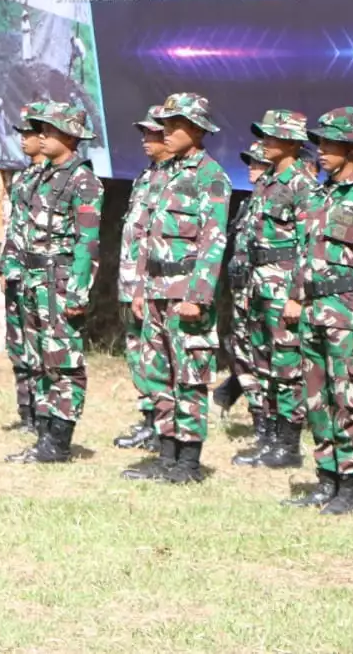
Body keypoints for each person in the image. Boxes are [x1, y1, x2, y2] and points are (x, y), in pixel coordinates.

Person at [281, 109, 353, 516]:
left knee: (350, 401)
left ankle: (352, 487)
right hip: (312, 314)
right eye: (321, 143)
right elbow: (303, 255)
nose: (322, 151)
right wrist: (295, 296)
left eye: (331, 144)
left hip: (347, 317)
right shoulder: (317, 196)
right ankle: (326, 479)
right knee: (316, 401)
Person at [123, 93, 229, 485]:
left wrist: (197, 296)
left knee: (190, 377)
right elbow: (145, 236)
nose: (166, 132)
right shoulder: (163, 174)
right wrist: (138, 288)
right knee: (159, 375)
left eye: (175, 125)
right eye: (164, 124)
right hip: (153, 288)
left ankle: (188, 462)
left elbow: (212, 241)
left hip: (184, 293)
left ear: (197, 130)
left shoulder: (210, 176)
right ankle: (166, 455)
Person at [6, 101, 101, 464]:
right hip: (32, 279)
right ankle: (44, 436)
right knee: (40, 361)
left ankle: (59, 440)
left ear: (71, 136)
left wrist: (78, 291)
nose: (41, 137)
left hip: (59, 281)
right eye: (40, 130)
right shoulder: (42, 176)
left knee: (64, 361)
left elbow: (86, 243)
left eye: (50, 131)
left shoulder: (83, 181)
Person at [232, 109, 316, 469]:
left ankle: (288, 446)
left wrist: (297, 295)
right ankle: (269, 439)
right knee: (263, 362)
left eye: (272, 136)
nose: (264, 141)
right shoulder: (267, 183)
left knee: (287, 366)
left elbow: (309, 246)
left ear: (293, 142)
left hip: (284, 290)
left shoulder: (302, 185)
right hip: (258, 285)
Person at [114, 105, 170, 451]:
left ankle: (163, 424)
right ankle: (149, 418)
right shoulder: (147, 176)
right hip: (130, 281)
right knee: (137, 352)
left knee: (158, 354)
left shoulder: (175, 180)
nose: (146, 140)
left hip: (154, 283)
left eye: (154, 133)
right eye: (144, 133)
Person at [0, 101, 49, 433]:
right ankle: (26, 412)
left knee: (42, 347)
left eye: (29, 134)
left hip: (42, 277)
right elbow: (14, 227)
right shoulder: (23, 178)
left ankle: (45, 414)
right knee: (19, 346)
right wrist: (6, 266)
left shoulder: (55, 178)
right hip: (16, 271)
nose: (23, 139)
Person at [219, 140, 270, 440]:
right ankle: (259, 419)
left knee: (270, 358)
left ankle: (276, 424)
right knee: (242, 355)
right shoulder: (249, 203)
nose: (251, 167)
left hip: (267, 295)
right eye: (249, 161)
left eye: (258, 162)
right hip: (242, 295)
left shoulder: (285, 201)